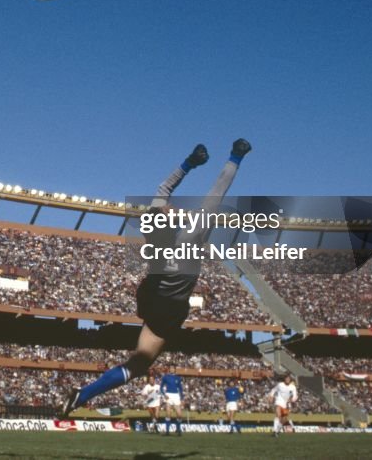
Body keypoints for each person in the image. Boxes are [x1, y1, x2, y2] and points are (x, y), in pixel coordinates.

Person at [59, 139, 252, 417]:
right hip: (170, 309)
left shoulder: (156, 239)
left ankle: (81, 395)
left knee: (136, 363)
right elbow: (216, 193)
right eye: (168, 211)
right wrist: (235, 157)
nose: (169, 207)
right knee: (141, 364)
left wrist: (189, 162)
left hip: (151, 297)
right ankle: (84, 394)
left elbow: (164, 189)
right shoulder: (192, 235)